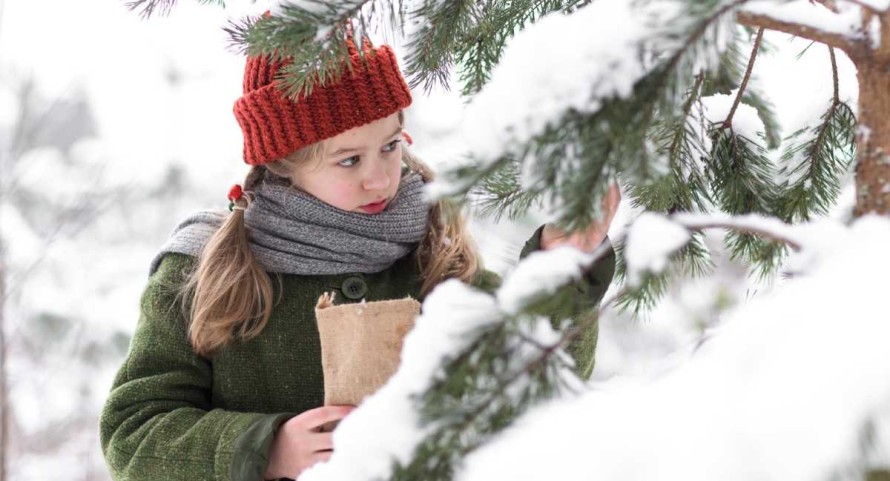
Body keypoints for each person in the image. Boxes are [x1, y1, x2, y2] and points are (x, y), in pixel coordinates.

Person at [99, 30, 619, 481]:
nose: (380, 178)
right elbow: (134, 431)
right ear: (282, 164)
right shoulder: (204, 272)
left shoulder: (435, 257)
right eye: (349, 160)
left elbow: (532, 389)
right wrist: (264, 448)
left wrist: (563, 265)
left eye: (391, 146)